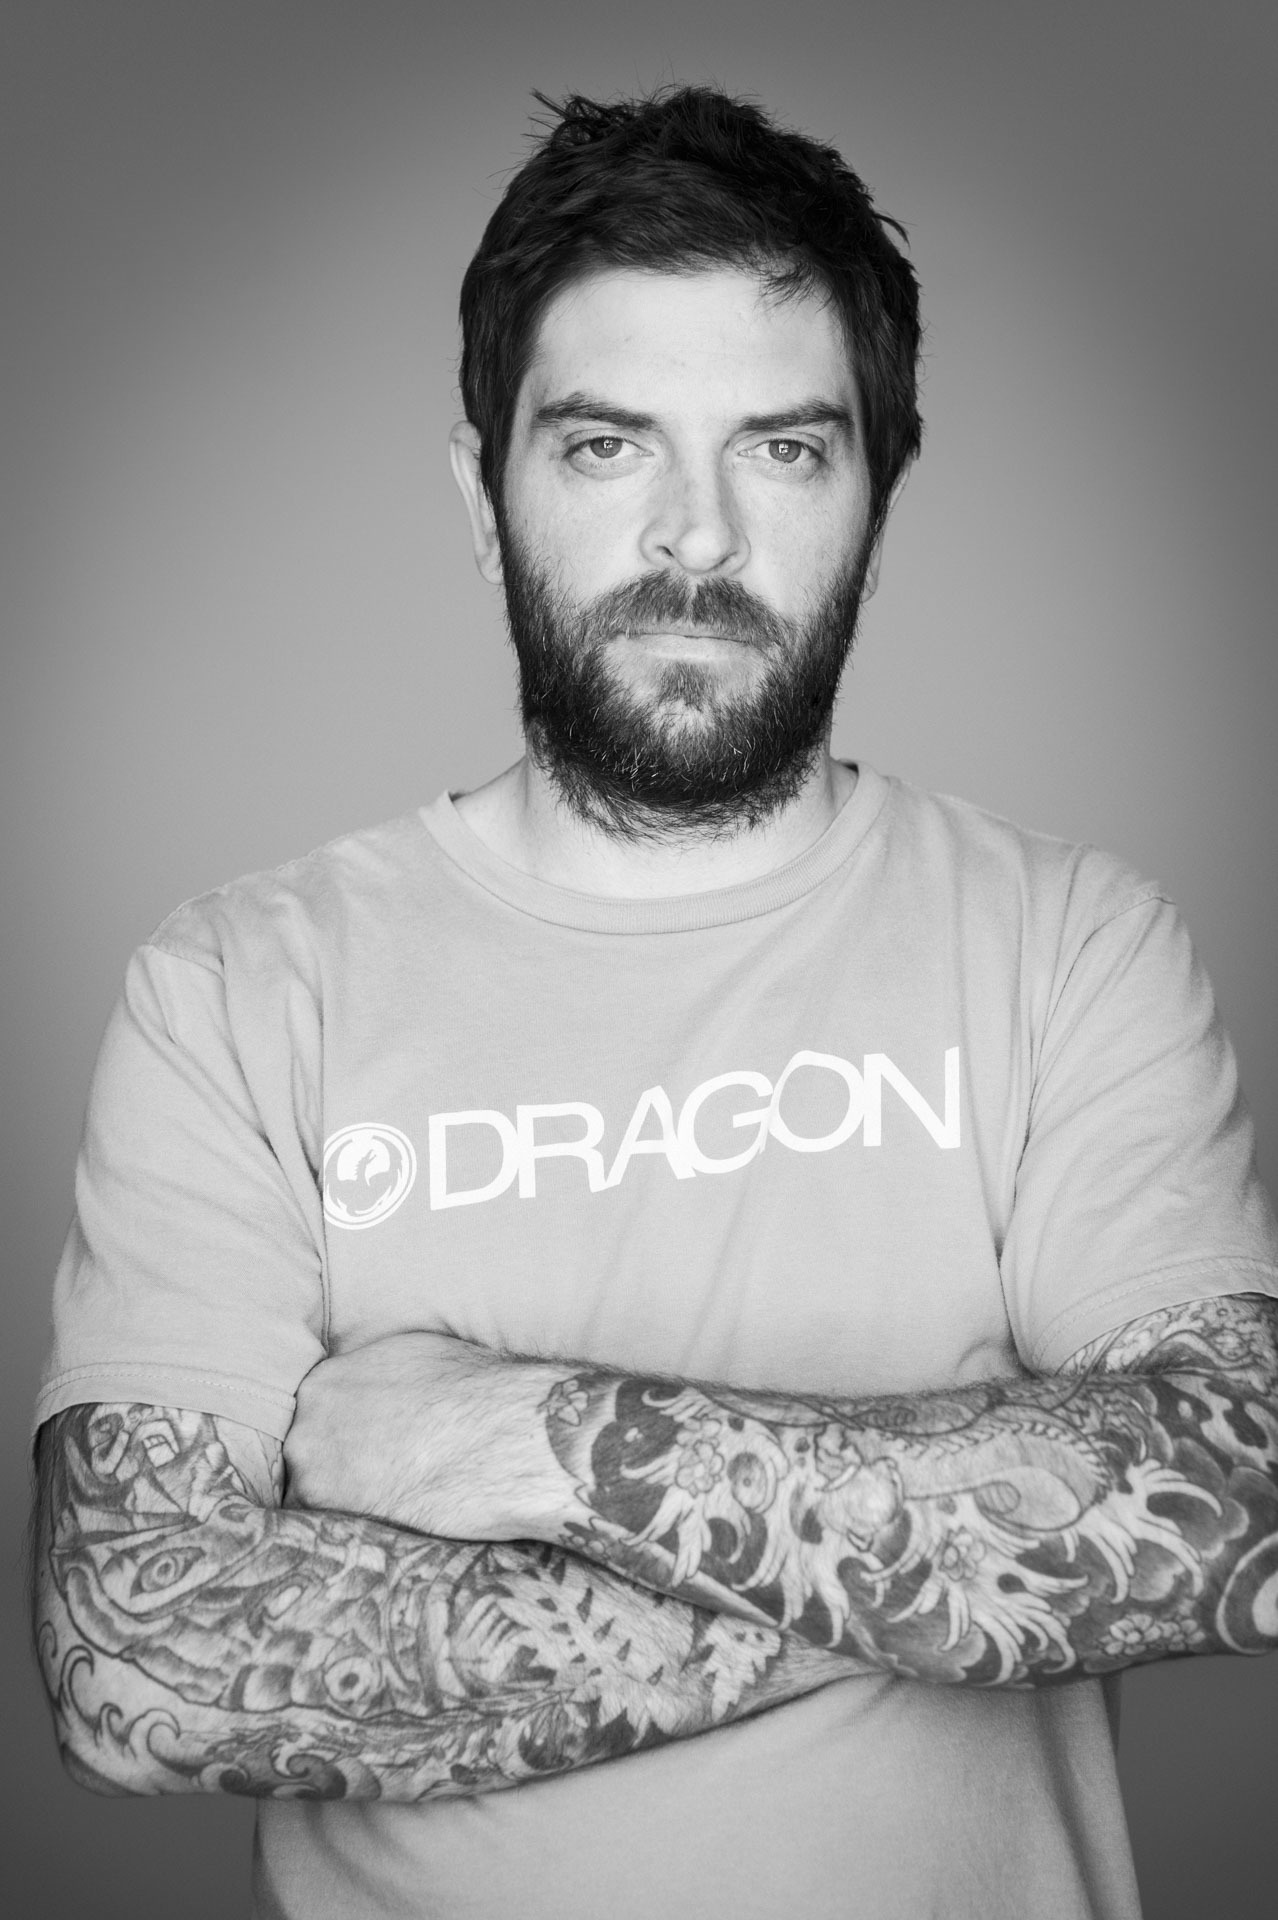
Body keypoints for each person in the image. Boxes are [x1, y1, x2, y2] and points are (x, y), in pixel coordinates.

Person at [31, 85, 1278, 1920]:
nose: (694, 538)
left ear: (876, 501)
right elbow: (140, 1661)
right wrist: (937, 1564)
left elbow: (1232, 1500)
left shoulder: (1068, 942)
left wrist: (533, 1436)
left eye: (782, 450)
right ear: (486, 500)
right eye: (607, 446)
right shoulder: (235, 990)